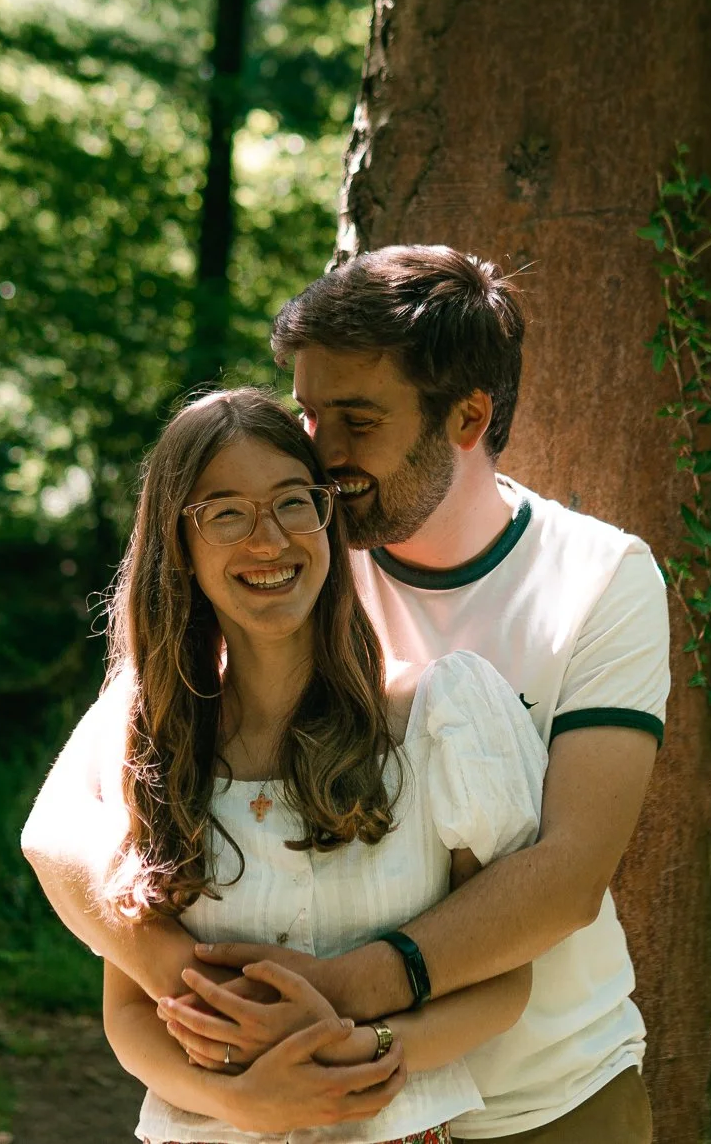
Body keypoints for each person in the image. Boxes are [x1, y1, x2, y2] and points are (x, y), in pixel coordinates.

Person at [25, 246, 668, 1142]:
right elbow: (63, 825)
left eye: (357, 420)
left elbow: (567, 875)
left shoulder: (597, 578)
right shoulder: (294, 553)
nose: (322, 452)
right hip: (319, 1100)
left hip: (544, 1088)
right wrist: (207, 997)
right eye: (310, 413)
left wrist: (329, 999)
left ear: (468, 416)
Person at [69, 387, 554, 1142]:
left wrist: (369, 1047)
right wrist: (240, 1102)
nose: (269, 540)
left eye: (293, 502)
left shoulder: (440, 717)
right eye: (226, 514)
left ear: (329, 518)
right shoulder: (152, 738)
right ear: (180, 546)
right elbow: (127, 1009)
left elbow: (504, 978)